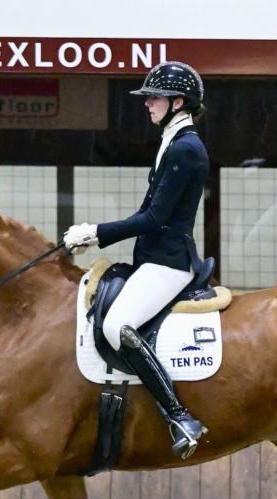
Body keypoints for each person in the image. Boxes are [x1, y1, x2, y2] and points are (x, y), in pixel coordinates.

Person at [61, 61, 209, 459]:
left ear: (179, 102)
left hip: (170, 263)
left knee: (117, 326)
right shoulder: (173, 142)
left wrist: (96, 234)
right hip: (153, 258)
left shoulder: (186, 149)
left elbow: (155, 218)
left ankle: (179, 415)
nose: (148, 105)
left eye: (155, 98)